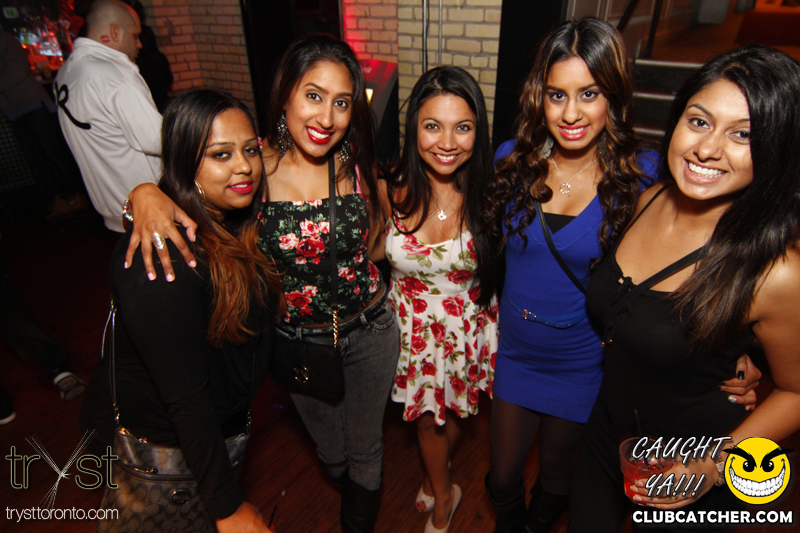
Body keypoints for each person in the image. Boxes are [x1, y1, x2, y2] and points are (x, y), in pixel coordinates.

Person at [483, 18, 760, 533]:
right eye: (557, 95)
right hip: (517, 352)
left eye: (589, 94)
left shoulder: (642, 175)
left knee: (558, 474)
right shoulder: (511, 161)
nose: (571, 113)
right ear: (539, 97)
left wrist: (736, 347)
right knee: (502, 479)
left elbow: (698, 256)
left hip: (583, 360)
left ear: (613, 95)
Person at [123, 35, 399, 533]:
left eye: (342, 102)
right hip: (298, 341)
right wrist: (143, 194)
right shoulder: (252, 168)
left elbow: (376, 242)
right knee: (332, 453)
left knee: (367, 450)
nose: (327, 117)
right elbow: (191, 200)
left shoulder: (355, 164)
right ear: (285, 95)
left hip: (372, 329)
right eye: (313, 95)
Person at [569, 44, 800, 531]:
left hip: (693, 460)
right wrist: (733, 347)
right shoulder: (650, 199)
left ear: (777, 148)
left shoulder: (776, 271)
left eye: (743, 135)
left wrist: (712, 468)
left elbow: (796, 392)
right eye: (699, 121)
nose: (707, 149)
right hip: (607, 434)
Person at [80, 88, 282, 532]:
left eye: (250, 150)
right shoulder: (162, 258)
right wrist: (228, 507)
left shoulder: (235, 225)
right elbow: (186, 399)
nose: (244, 166)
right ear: (186, 162)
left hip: (218, 437)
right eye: (221, 154)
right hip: (167, 456)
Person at [381, 66, 499, 533]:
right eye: (433, 126)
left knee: (458, 412)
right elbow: (365, 250)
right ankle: (444, 491)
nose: (447, 142)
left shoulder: (491, 195)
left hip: (466, 328)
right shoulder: (388, 188)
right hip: (410, 329)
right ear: (414, 128)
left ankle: (437, 476)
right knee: (426, 421)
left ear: (478, 131)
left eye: (462, 127)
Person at [55, 0, 161, 232]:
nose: (139, 44)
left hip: (113, 208)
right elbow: (157, 140)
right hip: (148, 208)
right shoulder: (114, 75)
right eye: (135, 35)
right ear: (114, 32)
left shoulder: (68, 70)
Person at [0, 29, 86, 219]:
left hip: (33, 104)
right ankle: (56, 200)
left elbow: (17, 72)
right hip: (14, 110)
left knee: (54, 152)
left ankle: (77, 194)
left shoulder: (6, 39)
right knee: (36, 159)